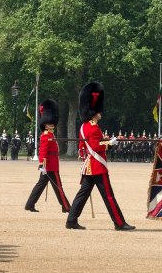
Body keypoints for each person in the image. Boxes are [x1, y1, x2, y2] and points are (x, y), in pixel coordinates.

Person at [65, 82, 133, 231]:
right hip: (97, 165)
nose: (101, 113)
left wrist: (105, 140)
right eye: (98, 111)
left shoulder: (84, 126)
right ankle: (119, 223)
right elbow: (95, 146)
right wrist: (110, 143)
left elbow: (85, 146)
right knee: (109, 195)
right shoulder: (94, 127)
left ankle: (71, 220)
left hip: (89, 166)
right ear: (93, 112)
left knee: (82, 195)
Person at [24, 99, 70, 213]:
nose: (52, 125)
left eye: (52, 124)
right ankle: (66, 206)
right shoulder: (46, 135)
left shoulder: (50, 134)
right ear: (45, 124)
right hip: (50, 166)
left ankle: (30, 204)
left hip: (50, 165)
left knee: (41, 185)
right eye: (50, 124)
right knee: (58, 186)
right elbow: (43, 151)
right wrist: (42, 164)